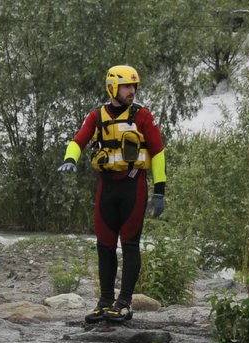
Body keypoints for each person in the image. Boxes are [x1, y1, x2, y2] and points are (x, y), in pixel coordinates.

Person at [57, 64, 167, 324]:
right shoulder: (97, 116)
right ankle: (105, 301)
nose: (132, 91)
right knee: (104, 245)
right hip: (106, 188)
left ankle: (124, 303)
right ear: (112, 88)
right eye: (126, 86)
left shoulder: (142, 115)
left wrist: (159, 191)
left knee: (129, 244)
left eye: (134, 86)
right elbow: (79, 140)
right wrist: (70, 158)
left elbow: (158, 152)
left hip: (133, 185)